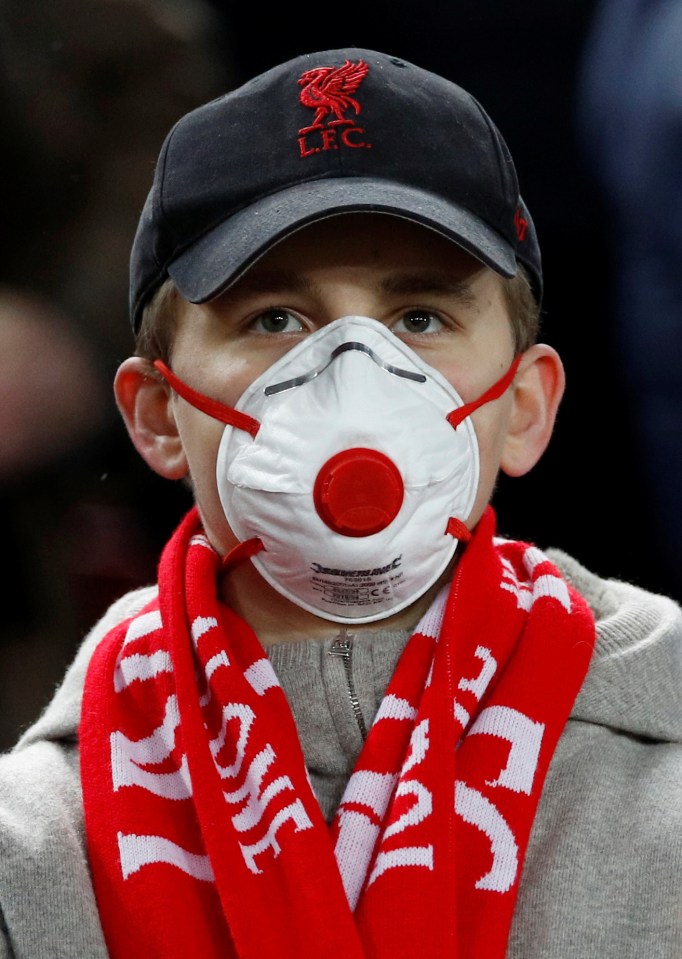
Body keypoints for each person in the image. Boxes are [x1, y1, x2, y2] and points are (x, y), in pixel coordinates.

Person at [0, 47, 679, 959]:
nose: (354, 376)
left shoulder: (664, 792)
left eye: (419, 318)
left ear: (524, 409)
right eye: (274, 317)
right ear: (159, 415)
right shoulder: (34, 847)